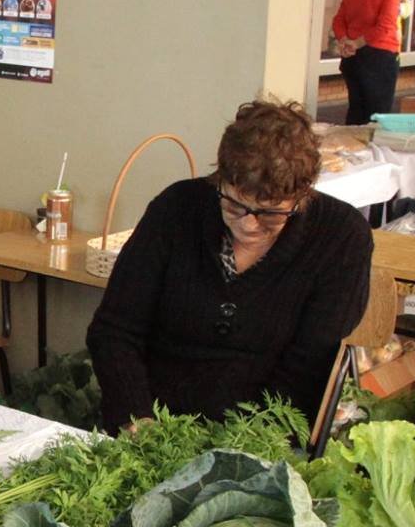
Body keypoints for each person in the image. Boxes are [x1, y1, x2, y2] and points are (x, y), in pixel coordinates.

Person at [87, 99, 373, 433]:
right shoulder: (176, 210)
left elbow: (309, 366)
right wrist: (137, 419)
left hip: (263, 438)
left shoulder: (340, 238)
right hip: (153, 422)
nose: (248, 226)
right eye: (235, 206)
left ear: (303, 196)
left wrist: (246, 445)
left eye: (270, 214)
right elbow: (115, 330)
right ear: (219, 178)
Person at [330, 0, 403, 126]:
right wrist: (357, 43)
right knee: (377, 119)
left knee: (356, 113)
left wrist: (345, 40)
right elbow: (386, 26)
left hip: (354, 60)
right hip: (379, 58)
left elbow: (338, 19)